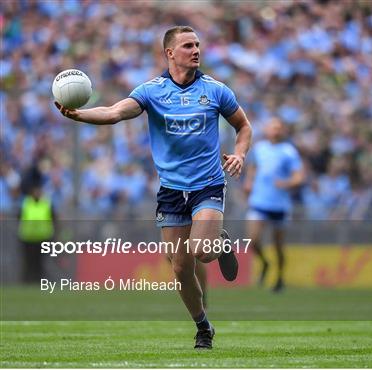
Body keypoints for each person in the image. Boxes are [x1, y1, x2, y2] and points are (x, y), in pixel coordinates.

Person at [55, 26, 252, 349]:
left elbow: (243, 126)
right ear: (170, 53)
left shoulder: (217, 91)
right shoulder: (152, 91)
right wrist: (79, 115)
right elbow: (115, 112)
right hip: (172, 191)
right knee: (179, 267)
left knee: (201, 251)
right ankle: (203, 326)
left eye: (198, 45)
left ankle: (219, 243)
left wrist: (240, 154)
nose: (196, 50)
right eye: (188, 45)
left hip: (207, 184)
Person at [244, 118, 304, 292]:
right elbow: (253, 168)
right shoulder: (260, 148)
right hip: (259, 201)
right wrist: (249, 181)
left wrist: (286, 183)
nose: (275, 131)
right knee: (253, 240)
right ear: (266, 129)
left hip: (279, 205)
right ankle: (264, 263)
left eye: (278, 128)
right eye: (273, 127)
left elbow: (299, 176)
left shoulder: (288, 151)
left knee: (278, 245)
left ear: (282, 130)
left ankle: (279, 278)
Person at [18, 183, 56, 284]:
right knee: (28, 261)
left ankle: (39, 281)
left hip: (43, 237)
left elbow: (53, 218)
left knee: (41, 262)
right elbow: (19, 217)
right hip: (27, 237)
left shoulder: (47, 203)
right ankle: (27, 281)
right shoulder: (26, 203)